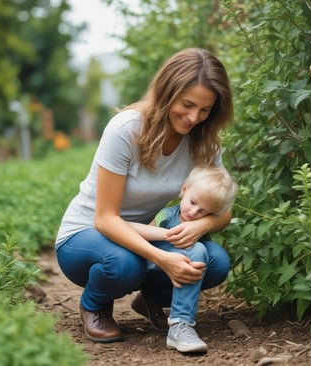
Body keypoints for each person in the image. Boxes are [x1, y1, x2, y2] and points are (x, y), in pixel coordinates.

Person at [54, 48, 234, 351]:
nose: (193, 118)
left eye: (205, 110)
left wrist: (202, 226)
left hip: (144, 235)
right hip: (87, 234)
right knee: (124, 264)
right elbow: (105, 218)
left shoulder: (203, 142)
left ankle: (152, 298)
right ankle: (94, 305)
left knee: (214, 262)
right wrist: (162, 257)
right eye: (187, 105)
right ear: (167, 92)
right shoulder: (126, 129)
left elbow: (225, 211)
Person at [129, 165, 237, 353]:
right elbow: (139, 231)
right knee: (195, 250)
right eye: (193, 202)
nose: (194, 213)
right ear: (184, 190)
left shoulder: (200, 224)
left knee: (202, 254)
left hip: (180, 272)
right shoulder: (166, 216)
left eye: (204, 212)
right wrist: (165, 234)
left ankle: (151, 301)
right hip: (156, 265)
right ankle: (181, 323)